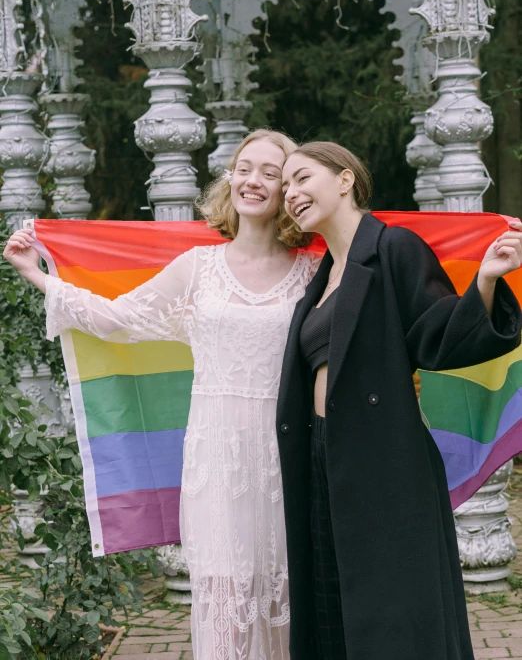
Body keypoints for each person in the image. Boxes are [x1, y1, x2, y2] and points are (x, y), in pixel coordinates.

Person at [3, 129, 319, 660]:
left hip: (289, 451)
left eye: (271, 172)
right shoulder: (198, 268)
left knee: (288, 587)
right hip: (217, 453)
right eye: (245, 167)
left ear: (289, 190)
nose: (254, 180)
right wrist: (37, 276)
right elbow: (117, 318)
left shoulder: (313, 272)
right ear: (230, 178)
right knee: (222, 592)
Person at [278, 141, 522, 660]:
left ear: (345, 179)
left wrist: (484, 280)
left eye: (301, 178)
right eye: (284, 189)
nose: (290, 194)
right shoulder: (320, 278)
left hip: (386, 466)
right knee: (332, 611)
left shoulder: (393, 249)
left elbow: (439, 339)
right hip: (323, 460)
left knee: (395, 622)